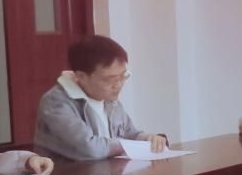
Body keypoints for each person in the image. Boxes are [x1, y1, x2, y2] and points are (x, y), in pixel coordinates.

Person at [34, 35, 167, 162]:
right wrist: (130, 145)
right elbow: (90, 148)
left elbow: (130, 134)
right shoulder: (55, 102)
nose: (119, 85)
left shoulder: (109, 99)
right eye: (111, 79)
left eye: (123, 76)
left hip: (110, 174)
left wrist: (148, 139)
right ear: (81, 76)